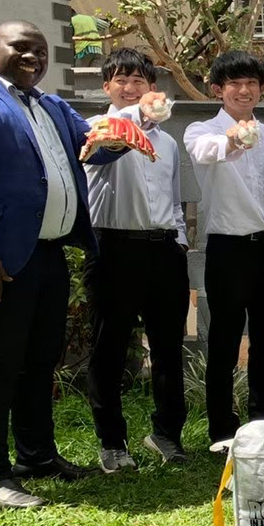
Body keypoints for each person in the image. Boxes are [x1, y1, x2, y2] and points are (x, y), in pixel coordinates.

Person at [0, 20, 130, 508]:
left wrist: (123, 135)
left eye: (40, 50)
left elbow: (93, 151)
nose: (33, 57)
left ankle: (36, 457)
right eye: (20, 47)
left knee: (40, 361)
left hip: (45, 254)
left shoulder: (52, 106)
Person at [83, 48, 190, 471]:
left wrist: (179, 241)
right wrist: (136, 117)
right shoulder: (98, 128)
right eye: (121, 80)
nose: (130, 88)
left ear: (152, 88)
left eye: (138, 81)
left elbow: (174, 199)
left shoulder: (168, 142)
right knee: (109, 347)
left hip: (164, 249)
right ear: (106, 86)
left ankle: (167, 433)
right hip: (114, 247)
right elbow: (108, 146)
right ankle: (112, 441)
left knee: (168, 347)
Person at [184, 51, 264, 444]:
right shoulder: (201, 130)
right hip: (228, 247)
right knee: (224, 339)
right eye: (234, 84)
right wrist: (234, 138)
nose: (243, 91)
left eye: (251, 84)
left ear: (262, 89)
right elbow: (205, 152)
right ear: (218, 89)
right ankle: (222, 429)